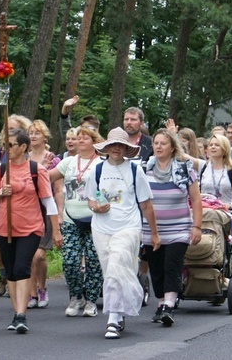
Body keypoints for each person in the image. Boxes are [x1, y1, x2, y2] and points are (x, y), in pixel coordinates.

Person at [85, 127, 160, 339]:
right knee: (110, 272)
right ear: (106, 148)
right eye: (112, 145)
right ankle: (120, 310)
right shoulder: (97, 170)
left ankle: (113, 319)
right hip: (101, 228)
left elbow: (146, 205)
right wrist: (95, 208)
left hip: (128, 226)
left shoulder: (135, 170)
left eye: (120, 145)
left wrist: (153, 233)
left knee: (117, 267)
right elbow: (90, 199)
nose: (116, 149)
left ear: (127, 149)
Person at [0, 128, 61, 333]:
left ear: (23, 147)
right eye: (4, 145)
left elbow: (48, 202)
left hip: (31, 228)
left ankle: (21, 315)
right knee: (10, 272)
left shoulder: (37, 170)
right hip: (4, 228)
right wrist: (1, 192)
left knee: (21, 267)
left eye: (11, 145)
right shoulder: (1, 170)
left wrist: (55, 230)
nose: (6, 148)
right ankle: (16, 314)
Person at [143, 129, 202, 326]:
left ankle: (169, 305)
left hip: (179, 228)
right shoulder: (145, 169)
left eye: (163, 143)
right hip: (151, 230)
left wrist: (197, 226)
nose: (158, 147)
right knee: (156, 267)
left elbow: (196, 199)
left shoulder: (184, 168)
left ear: (172, 147)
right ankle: (161, 304)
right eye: (156, 143)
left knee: (172, 265)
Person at [49, 126, 104, 318]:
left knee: (93, 262)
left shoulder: (102, 163)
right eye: (78, 137)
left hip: (95, 219)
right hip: (71, 219)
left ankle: (91, 301)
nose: (80, 140)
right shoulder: (69, 162)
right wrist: (38, 167)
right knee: (70, 261)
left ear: (94, 141)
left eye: (85, 138)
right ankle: (76, 296)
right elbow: (47, 178)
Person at [0, 114, 32, 298]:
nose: (8, 132)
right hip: (1, 210)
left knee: (22, 259)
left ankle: (22, 289)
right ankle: (5, 275)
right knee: (0, 250)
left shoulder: (29, 161)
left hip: (26, 214)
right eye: (6, 128)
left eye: (13, 129)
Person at [26, 119, 62, 309]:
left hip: (47, 211)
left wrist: (60, 215)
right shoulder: (24, 157)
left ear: (45, 136)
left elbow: (58, 189)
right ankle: (32, 294)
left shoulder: (53, 159)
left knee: (39, 255)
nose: (33, 136)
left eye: (36, 133)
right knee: (30, 255)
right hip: (28, 210)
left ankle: (42, 287)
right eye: (30, 133)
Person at [198, 134, 232, 209]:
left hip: (224, 211)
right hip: (205, 210)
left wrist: (231, 205)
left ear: (224, 148)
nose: (213, 147)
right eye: (211, 145)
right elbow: (184, 157)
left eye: (217, 145)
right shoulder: (203, 166)